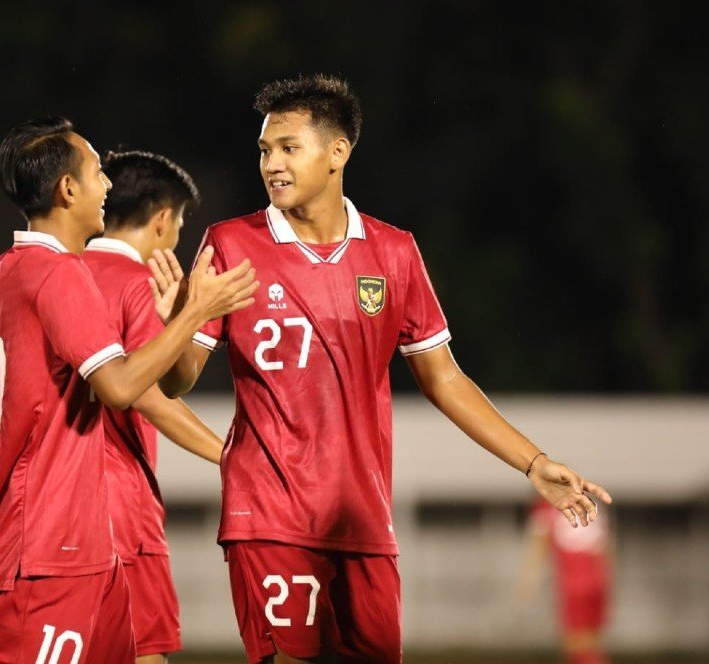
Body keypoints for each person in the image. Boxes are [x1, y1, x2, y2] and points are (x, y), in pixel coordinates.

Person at [148, 75, 613, 664]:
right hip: (269, 514)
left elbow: (444, 380)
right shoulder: (231, 242)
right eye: (266, 151)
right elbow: (178, 379)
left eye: (289, 148)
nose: (272, 164)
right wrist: (183, 321)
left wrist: (535, 462)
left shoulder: (393, 252)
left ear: (337, 151)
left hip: (365, 520)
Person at [0, 116, 257, 664]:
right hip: (60, 537)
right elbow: (125, 388)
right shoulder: (60, 274)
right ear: (68, 188)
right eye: (98, 171)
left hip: (59, 534)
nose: (107, 185)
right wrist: (197, 309)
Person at [519, 498, 614, 664]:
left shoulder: (545, 509)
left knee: (574, 644)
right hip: (598, 580)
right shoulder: (587, 503)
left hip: (573, 582)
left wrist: (528, 581)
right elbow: (606, 546)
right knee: (593, 643)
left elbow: (539, 547)